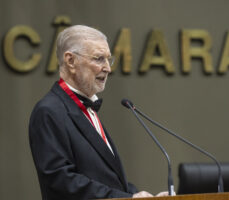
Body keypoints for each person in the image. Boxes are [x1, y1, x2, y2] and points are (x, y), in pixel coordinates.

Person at [29, 25, 168, 199]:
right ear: (71, 61)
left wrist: (140, 195)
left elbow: (106, 180)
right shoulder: (49, 111)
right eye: (99, 59)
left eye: (108, 59)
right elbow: (61, 182)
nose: (108, 68)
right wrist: (126, 199)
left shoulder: (87, 109)